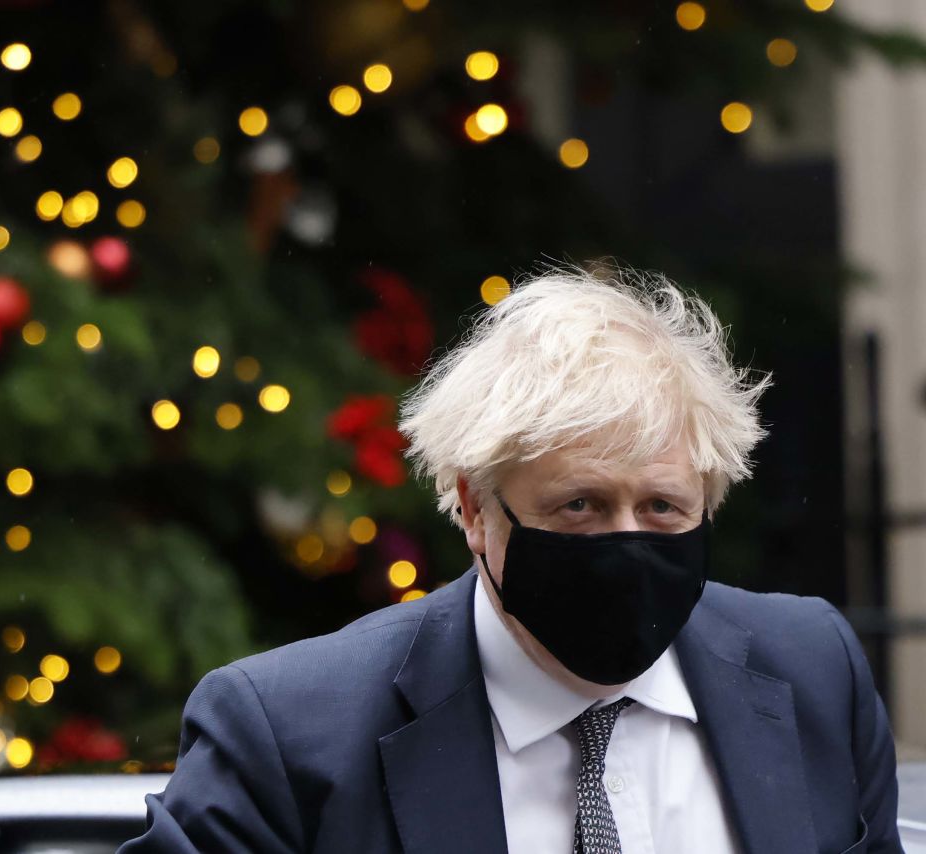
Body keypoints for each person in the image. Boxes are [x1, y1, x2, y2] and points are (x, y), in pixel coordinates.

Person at [119, 268, 902, 853]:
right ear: (473, 508)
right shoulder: (289, 735)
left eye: (662, 508)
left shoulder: (812, 673)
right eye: (580, 506)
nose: (624, 544)